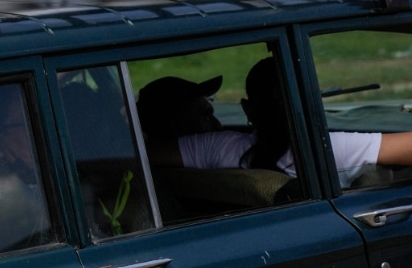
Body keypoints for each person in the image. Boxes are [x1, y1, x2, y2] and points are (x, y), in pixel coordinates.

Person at [149, 58, 412, 188]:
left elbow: (139, 156)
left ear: (247, 108)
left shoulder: (216, 149)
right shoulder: (327, 150)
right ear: (310, 103)